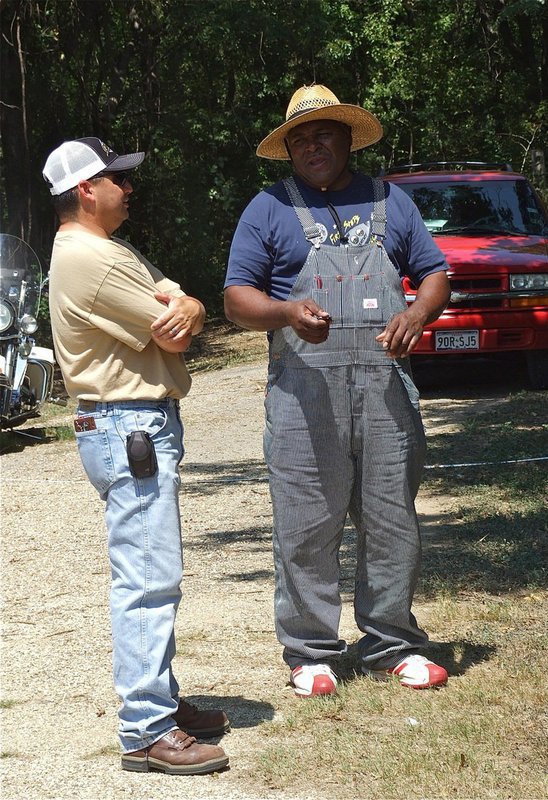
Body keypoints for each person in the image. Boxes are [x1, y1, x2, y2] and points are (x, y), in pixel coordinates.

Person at [224, 85, 451, 698]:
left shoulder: (389, 200)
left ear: (349, 137)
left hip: (385, 392)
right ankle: (310, 651)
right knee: (305, 524)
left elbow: (435, 273)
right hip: (303, 396)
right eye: (299, 137)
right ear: (287, 149)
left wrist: (417, 315)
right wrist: (285, 312)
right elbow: (235, 298)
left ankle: (392, 643)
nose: (312, 144)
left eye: (323, 132)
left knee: (391, 520)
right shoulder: (267, 208)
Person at [43, 137, 230, 774]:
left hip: (128, 425)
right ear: (85, 189)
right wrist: (188, 308)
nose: (129, 187)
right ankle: (147, 728)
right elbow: (172, 325)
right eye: (117, 179)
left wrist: (190, 305)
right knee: (148, 577)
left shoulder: (102, 249)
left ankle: (160, 704)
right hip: (130, 426)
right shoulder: (90, 258)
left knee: (152, 571)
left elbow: (181, 302)